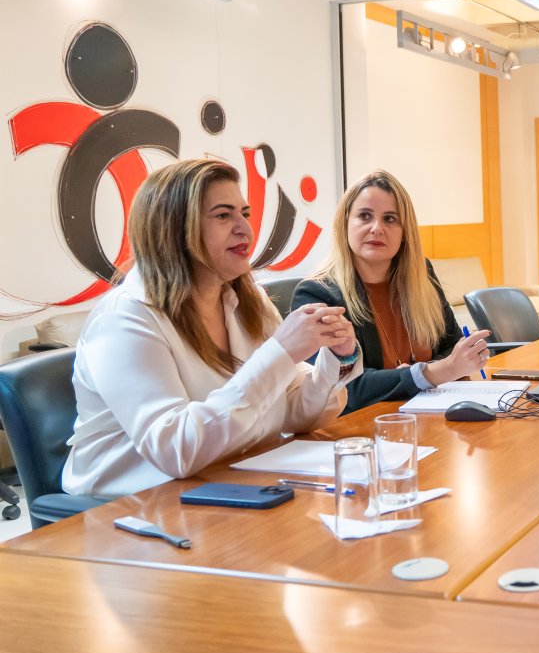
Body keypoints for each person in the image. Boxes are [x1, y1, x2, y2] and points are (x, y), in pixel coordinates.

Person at [63, 159, 361, 499]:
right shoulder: (123, 319)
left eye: (244, 213)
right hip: (131, 508)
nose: (245, 229)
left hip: (228, 482)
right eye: (223, 215)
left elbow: (294, 413)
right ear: (174, 230)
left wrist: (337, 358)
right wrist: (279, 353)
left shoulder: (249, 301)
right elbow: (176, 450)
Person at [294, 171, 491, 413]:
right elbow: (344, 388)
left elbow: (451, 345)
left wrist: (407, 376)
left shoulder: (422, 275)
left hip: (431, 418)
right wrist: (430, 372)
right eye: (365, 216)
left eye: (390, 219)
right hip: (365, 430)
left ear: (404, 232)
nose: (376, 228)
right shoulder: (317, 295)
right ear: (345, 223)